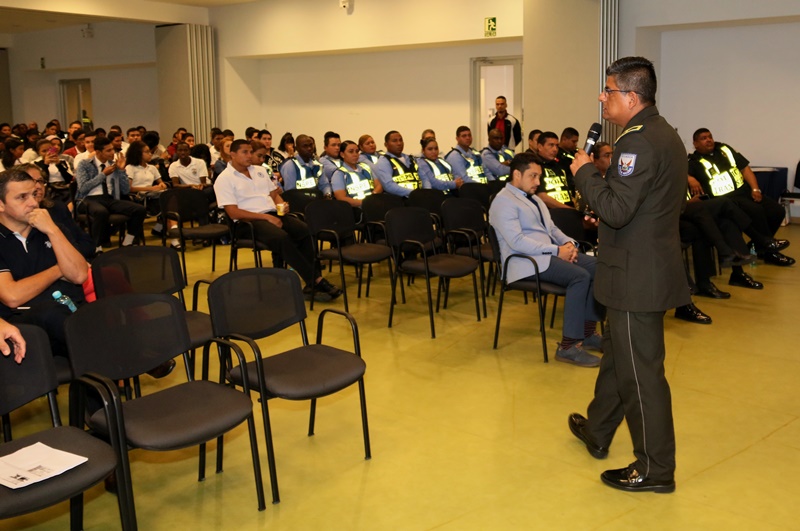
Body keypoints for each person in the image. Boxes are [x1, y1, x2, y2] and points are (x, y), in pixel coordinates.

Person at [569, 56, 687, 493]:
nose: (602, 97)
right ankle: (599, 429)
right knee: (619, 359)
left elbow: (617, 209)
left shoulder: (636, 144)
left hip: (636, 276)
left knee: (641, 377)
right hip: (641, 267)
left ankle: (655, 469)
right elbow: (642, 207)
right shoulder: (664, 133)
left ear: (632, 97)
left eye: (609, 90)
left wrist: (585, 173)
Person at [490, 153, 604, 367]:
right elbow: (517, 241)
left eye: (539, 176)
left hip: (545, 256)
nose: (538, 181)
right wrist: (556, 251)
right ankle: (568, 347)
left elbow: (551, 229)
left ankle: (588, 333)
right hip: (523, 262)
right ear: (516, 175)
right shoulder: (503, 202)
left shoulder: (534, 199)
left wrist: (569, 244)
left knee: (599, 268)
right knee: (579, 277)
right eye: (533, 176)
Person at [214, 140, 342, 301]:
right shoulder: (224, 179)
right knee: (281, 237)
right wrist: (267, 217)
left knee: (304, 230)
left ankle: (312, 284)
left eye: (250, 152)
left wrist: (281, 205)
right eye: (245, 152)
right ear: (232, 155)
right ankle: (316, 280)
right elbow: (233, 213)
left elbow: (274, 194)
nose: (249, 156)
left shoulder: (259, 171)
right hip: (247, 222)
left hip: (272, 214)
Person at [0, 169, 89, 359]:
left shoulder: (53, 229)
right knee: (50, 312)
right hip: (26, 327)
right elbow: (12, 296)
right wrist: (59, 269)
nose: (33, 203)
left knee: (106, 311)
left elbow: (79, 275)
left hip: (73, 315)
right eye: (22, 197)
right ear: (1, 204)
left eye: (34, 194)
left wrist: (52, 230)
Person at [688, 128, 794, 266]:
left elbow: (745, 168)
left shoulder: (724, 149)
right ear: (695, 144)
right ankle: (770, 252)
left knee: (777, 211)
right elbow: (679, 172)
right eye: (703, 138)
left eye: (710, 136)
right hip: (726, 200)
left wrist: (755, 189)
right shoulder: (693, 161)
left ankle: (759, 245)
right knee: (757, 211)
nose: (708, 140)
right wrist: (690, 178)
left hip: (744, 192)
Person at [74, 136, 146, 251]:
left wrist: (121, 170)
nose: (112, 152)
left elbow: (125, 190)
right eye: (108, 150)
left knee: (140, 209)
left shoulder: (114, 165)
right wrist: (103, 175)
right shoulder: (85, 164)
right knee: (101, 212)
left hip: (109, 199)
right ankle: (96, 246)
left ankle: (128, 241)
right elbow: (83, 188)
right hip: (88, 199)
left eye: (112, 149)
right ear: (98, 152)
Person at [330, 140, 382, 207]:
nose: (355, 154)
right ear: (342, 154)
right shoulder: (339, 174)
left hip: (373, 203)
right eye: (351, 152)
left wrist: (372, 198)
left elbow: (379, 185)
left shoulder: (366, 167)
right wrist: (365, 203)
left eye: (357, 151)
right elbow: (341, 198)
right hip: (355, 209)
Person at [373, 131, 420, 198]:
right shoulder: (384, 161)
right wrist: (413, 193)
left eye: (400, 140)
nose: (399, 143)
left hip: (418, 198)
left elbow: (423, 178)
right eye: (394, 141)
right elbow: (388, 186)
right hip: (398, 200)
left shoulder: (411, 159)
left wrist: (424, 193)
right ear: (386, 144)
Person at [318, 131, 342, 197]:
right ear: (325, 148)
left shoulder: (343, 159)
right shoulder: (322, 161)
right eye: (333, 145)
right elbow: (339, 175)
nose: (337, 148)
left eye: (339, 145)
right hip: (335, 195)